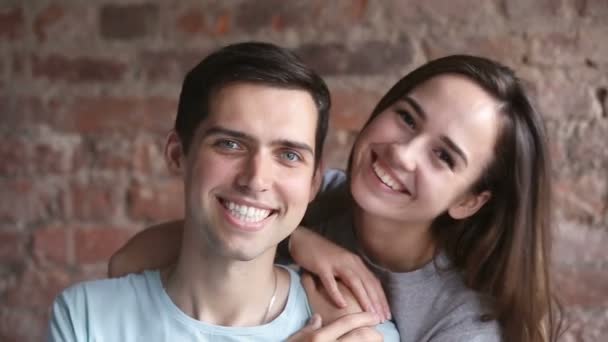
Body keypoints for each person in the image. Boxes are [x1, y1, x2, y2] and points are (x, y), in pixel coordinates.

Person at [109, 54, 563, 342]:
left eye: (443, 156)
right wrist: (294, 238)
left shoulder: (465, 324)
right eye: (406, 117)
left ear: (469, 201)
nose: (402, 153)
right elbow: (128, 261)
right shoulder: (314, 196)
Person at [47, 42, 400, 342]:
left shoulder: (361, 334)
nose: (256, 178)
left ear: (312, 183)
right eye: (230, 144)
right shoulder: (87, 319)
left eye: (289, 155)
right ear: (177, 154)